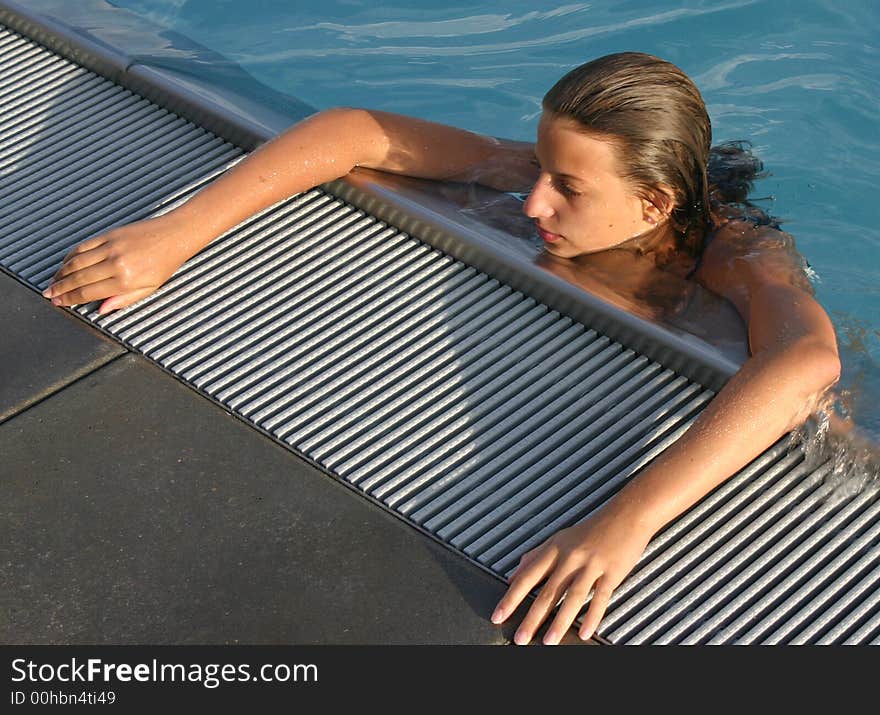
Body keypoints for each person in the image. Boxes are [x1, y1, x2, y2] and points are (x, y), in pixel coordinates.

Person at [42, 52, 841, 645]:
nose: (532, 197)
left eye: (568, 186)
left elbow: (807, 361)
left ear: (655, 201)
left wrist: (626, 520)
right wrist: (176, 233)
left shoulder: (733, 255)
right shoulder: (539, 171)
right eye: (542, 165)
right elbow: (353, 132)